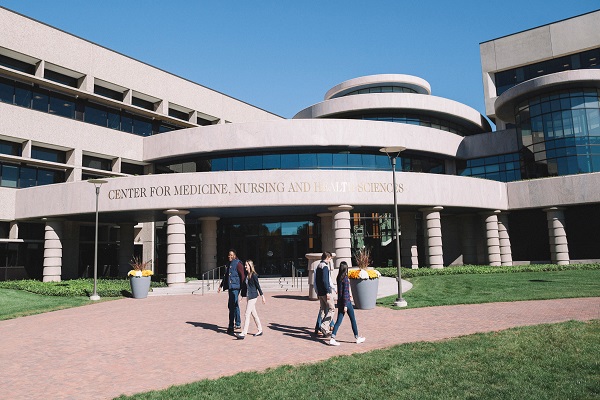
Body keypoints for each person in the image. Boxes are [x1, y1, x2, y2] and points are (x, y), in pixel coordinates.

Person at [329, 261, 365, 346]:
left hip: (340, 301)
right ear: (346, 268)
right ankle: (357, 337)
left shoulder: (339, 277)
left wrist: (348, 296)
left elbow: (343, 292)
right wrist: (346, 305)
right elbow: (345, 292)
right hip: (346, 303)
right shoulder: (345, 278)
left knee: (338, 321)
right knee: (353, 319)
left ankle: (332, 338)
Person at [217, 249, 245, 334]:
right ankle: (238, 323)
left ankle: (231, 326)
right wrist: (221, 286)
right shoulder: (228, 264)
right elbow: (226, 276)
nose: (230, 256)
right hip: (230, 287)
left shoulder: (238, 263)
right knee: (235, 305)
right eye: (229, 255)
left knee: (231, 305)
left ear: (235, 255)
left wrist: (243, 288)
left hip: (236, 288)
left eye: (231, 255)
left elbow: (242, 275)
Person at [237, 260, 265, 339]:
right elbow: (245, 287)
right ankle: (260, 330)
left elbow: (258, 286)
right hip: (249, 296)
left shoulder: (254, 275)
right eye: (245, 265)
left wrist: (262, 296)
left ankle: (244, 332)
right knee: (254, 314)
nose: (245, 266)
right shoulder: (247, 275)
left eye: (246, 265)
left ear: (250, 266)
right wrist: (242, 296)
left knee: (247, 314)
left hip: (253, 297)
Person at [314, 251, 335, 336]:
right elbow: (325, 281)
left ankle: (320, 327)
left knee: (322, 310)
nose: (330, 260)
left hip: (320, 292)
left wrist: (318, 291)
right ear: (327, 257)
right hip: (325, 292)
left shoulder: (318, 266)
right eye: (330, 258)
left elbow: (316, 281)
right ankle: (324, 326)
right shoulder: (325, 267)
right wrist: (328, 292)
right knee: (332, 309)